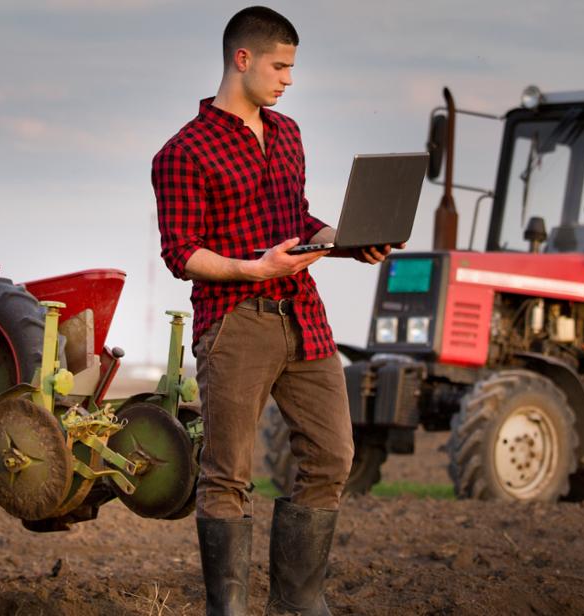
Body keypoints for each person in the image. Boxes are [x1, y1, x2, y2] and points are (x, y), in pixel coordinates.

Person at [150, 7, 393, 615]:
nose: (288, 78)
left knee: (334, 454)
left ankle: (298, 603)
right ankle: (226, 609)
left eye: (291, 67)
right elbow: (181, 253)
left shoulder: (288, 134)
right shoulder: (182, 152)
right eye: (280, 66)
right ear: (243, 59)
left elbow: (296, 221)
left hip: (304, 314)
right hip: (236, 321)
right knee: (228, 472)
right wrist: (252, 268)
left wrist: (345, 238)